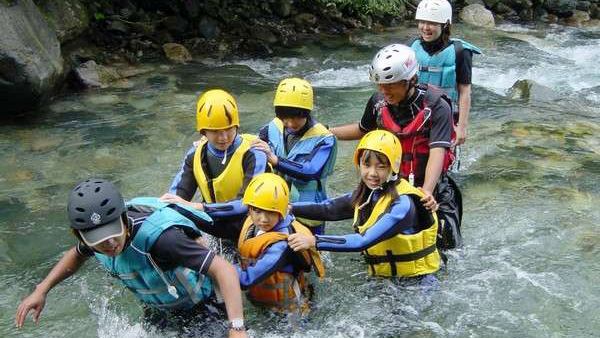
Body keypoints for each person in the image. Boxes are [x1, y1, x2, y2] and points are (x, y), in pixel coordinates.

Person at [15, 179, 248, 337]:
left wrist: (237, 327)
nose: (109, 244)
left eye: (112, 234)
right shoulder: (92, 241)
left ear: (124, 220)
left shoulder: (163, 240)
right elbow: (76, 255)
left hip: (203, 305)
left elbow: (224, 270)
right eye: (98, 239)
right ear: (80, 235)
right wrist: (42, 289)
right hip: (160, 307)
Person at [329, 43, 463, 250]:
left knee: (444, 248)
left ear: (411, 80)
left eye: (391, 85)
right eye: (380, 85)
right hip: (390, 184)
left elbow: (438, 151)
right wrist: (327, 132)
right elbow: (363, 129)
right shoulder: (378, 102)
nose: (384, 91)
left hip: (430, 189)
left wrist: (425, 192)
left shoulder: (437, 106)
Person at [287, 130, 440, 288]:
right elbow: (328, 209)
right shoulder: (367, 195)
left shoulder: (402, 205)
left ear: (393, 168)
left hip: (417, 284)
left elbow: (363, 241)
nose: (372, 173)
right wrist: (289, 208)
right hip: (384, 280)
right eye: (366, 165)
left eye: (381, 166)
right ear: (359, 164)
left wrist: (314, 241)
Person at [161, 89, 269, 245]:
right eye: (215, 131)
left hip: (252, 224)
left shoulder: (254, 153)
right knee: (173, 211)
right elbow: (176, 198)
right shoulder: (195, 154)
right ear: (203, 131)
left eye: (228, 129)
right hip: (218, 223)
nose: (223, 137)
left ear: (237, 126)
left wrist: (198, 207)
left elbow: (246, 204)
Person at [251, 78, 337, 235]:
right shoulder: (273, 127)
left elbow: (311, 171)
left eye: (297, 117)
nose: (291, 123)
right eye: (285, 117)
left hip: (308, 212)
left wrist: (276, 160)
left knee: (310, 255)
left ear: (307, 112)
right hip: (274, 206)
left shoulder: (325, 139)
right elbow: (252, 144)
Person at [236, 173, 324, 313]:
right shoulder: (252, 225)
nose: (263, 219)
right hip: (263, 302)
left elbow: (246, 279)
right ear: (249, 209)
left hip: (289, 312)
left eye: (271, 212)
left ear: (283, 211)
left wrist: (214, 267)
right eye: (258, 211)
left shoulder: (283, 244)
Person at [409, 0, 481, 146]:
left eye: (432, 23)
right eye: (422, 22)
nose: (425, 28)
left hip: (447, 115)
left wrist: (462, 127)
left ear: (445, 24)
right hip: (414, 113)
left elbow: (465, 91)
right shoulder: (411, 46)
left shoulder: (461, 52)